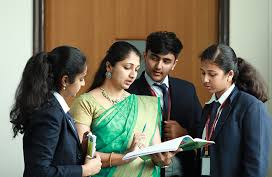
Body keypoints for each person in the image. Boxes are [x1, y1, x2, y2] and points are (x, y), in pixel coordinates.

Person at [70, 41, 175, 177]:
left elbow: (156, 154)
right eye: (127, 67)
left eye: (136, 69)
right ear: (109, 66)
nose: (133, 75)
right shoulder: (86, 102)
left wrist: (164, 159)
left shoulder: (144, 105)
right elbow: (83, 154)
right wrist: (125, 157)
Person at [10, 46, 102, 177]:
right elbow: (38, 172)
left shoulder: (56, 108)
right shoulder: (50, 113)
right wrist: (85, 170)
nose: (83, 84)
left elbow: (59, 155)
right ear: (65, 80)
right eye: (81, 78)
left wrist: (81, 148)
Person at [128, 31, 202, 177]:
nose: (158, 66)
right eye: (154, 58)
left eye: (166, 61)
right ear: (145, 56)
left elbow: (201, 130)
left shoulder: (187, 90)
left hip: (183, 170)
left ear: (174, 63)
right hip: (141, 168)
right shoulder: (129, 91)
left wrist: (184, 133)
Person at [197, 44, 272, 177]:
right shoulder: (209, 106)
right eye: (203, 72)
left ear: (230, 74)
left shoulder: (251, 107)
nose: (205, 79)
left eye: (212, 74)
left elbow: (256, 164)